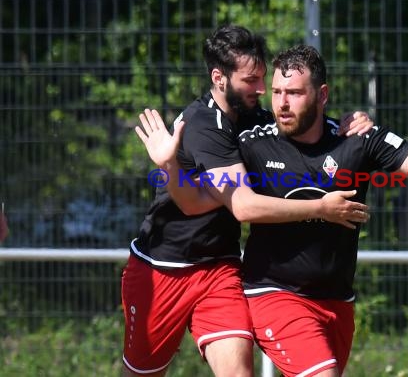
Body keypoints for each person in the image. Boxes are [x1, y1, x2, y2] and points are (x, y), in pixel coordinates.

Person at [136, 44, 408, 377]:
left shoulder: (356, 140)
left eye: (294, 93)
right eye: (276, 92)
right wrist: (169, 167)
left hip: (337, 300)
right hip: (275, 295)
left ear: (322, 95)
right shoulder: (252, 144)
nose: (282, 103)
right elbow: (203, 200)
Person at [123, 25, 372, 377]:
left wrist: (350, 124)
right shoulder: (203, 125)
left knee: (239, 372)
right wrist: (170, 167)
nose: (260, 89)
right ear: (219, 78)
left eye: (261, 79)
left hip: (220, 269)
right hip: (163, 268)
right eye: (250, 80)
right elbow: (216, 205)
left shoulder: (255, 116)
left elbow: (301, 134)